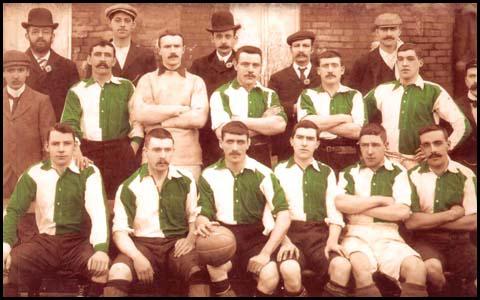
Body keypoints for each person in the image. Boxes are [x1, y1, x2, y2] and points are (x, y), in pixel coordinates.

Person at [3, 123, 110, 297]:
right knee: (9, 263)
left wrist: (100, 250)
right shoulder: (34, 173)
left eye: (67, 144)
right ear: (47, 146)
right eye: (55, 144)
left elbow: (98, 211)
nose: (61, 149)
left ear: (75, 146)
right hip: (45, 243)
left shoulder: (88, 172)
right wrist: (5, 246)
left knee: (100, 268)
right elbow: (14, 210)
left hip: (78, 244)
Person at [195, 121, 301, 296]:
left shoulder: (264, 173)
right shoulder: (209, 174)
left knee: (270, 275)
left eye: (240, 142)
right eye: (229, 141)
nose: (235, 148)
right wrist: (202, 222)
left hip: (256, 237)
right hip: (224, 235)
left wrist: (266, 253)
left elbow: (283, 215)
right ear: (221, 143)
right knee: (215, 269)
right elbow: (203, 212)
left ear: (248, 143)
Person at [103, 128, 210, 296]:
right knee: (118, 271)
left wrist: (190, 239)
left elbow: (194, 216)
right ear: (145, 152)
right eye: (157, 150)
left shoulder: (186, 180)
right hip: (142, 245)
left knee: (199, 274)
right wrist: (137, 257)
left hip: (176, 245)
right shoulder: (129, 186)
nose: (163, 155)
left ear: (173, 151)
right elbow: (119, 232)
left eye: (167, 150)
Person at [335, 123, 428, 296]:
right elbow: (340, 203)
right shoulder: (349, 173)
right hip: (356, 235)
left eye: (375, 145)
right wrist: (381, 200)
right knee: (361, 270)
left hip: (388, 236)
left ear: (385, 146)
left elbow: (401, 212)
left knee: (417, 269)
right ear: (359, 147)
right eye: (364, 145)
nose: (369, 151)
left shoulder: (398, 173)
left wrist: (357, 207)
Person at [274, 120, 351, 296]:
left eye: (310, 139)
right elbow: (272, 211)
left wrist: (332, 240)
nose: (304, 142)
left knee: (342, 266)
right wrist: (284, 240)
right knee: (289, 270)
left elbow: (334, 210)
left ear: (317, 144)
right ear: (291, 141)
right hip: (290, 233)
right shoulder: (279, 171)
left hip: (319, 235)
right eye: (299, 137)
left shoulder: (327, 172)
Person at [364, 43, 471, 170]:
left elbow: (463, 125)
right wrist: (375, 144)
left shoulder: (433, 91)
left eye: (410, 59)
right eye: (400, 59)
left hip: (422, 165)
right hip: (389, 164)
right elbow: (360, 116)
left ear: (420, 63)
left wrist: (441, 148)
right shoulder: (382, 90)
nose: (404, 63)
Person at [61, 40, 142, 199]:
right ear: (90, 60)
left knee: (121, 200)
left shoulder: (126, 87)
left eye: (107, 55)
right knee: (90, 200)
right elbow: (69, 124)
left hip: (120, 151)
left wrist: (133, 147)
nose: (102, 59)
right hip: (88, 152)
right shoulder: (77, 90)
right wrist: (77, 151)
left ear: (113, 61)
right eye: (98, 55)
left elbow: (137, 120)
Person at [404, 124, 477, 296]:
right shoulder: (413, 176)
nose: (433, 150)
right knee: (431, 271)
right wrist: (451, 214)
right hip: (426, 242)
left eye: (437, 143)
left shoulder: (466, 174)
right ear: (421, 148)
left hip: (460, 242)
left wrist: (428, 221)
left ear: (448, 144)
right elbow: (412, 222)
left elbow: (472, 222)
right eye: (426, 145)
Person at [132, 30, 209, 181]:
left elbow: (199, 119)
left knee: (188, 202)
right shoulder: (147, 80)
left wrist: (159, 120)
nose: (172, 51)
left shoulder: (196, 81)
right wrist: (179, 110)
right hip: (153, 157)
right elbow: (141, 114)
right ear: (159, 50)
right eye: (167, 46)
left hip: (188, 158)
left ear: (183, 49)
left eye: (176, 46)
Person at [210, 46, 287, 167]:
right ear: (235, 65)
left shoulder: (269, 94)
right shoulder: (221, 94)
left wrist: (237, 121)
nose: (250, 70)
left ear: (261, 67)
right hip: (232, 157)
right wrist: (263, 123)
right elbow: (222, 133)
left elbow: (280, 125)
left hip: (262, 158)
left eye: (255, 65)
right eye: (245, 64)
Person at [297, 50, 364, 174]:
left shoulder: (354, 95)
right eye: (325, 66)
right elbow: (306, 126)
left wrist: (319, 124)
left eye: (334, 65)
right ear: (318, 71)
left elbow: (358, 131)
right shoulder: (308, 94)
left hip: (348, 157)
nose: (330, 70)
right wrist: (344, 117)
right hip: (318, 155)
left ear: (342, 70)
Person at [189, 10, 240, 167]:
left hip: (236, 133)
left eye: (227, 36)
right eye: (219, 36)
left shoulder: (243, 63)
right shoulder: (199, 65)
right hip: (207, 135)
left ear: (235, 38)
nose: (223, 41)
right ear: (212, 39)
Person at [3, 50, 56, 198]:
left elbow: (48, 142)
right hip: (4, 178)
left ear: (27, 72)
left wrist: (44, 176)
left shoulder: (41, 101)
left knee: (30, 219)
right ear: (3, 73)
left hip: (31, 176)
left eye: (20, 70)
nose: (15, 75)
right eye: (10, 70)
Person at [269, 30, 322, 162]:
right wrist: (293, 108)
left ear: (312, 49)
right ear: (291, 50)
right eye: (297, 46)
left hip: (318, 140)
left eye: (305, 46)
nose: (301, 50)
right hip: (287, 141)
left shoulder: (322, 75)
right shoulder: (278, 78)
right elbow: (273, 107)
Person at [22, 7, 80, 121]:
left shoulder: (68, 67)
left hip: (56, 133)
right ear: (27, 36)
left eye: (45, 32)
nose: (40, 36)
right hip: (24, 133)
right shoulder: (16, 66)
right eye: (35, 31)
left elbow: (74, 106)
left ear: (52, 37)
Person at [347, 13, 404, 96]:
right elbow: (352, 96)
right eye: (384, 29)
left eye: (393, 29)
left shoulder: (410, 60)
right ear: (377, 32)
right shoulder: (363, 63)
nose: (388, 34)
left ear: (399, 32)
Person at [103, 4, 157, 86]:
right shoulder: (99, 52)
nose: (122, 25)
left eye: (127, 21)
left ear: (133, 25)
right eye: (117, 20)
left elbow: (152, 85)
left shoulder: (146, 54)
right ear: (110, 23)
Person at [450, 59, 477, 173]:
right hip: (464, 165)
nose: (476, 80)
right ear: (466, 80)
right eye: (472, 76)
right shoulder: (453, 106)